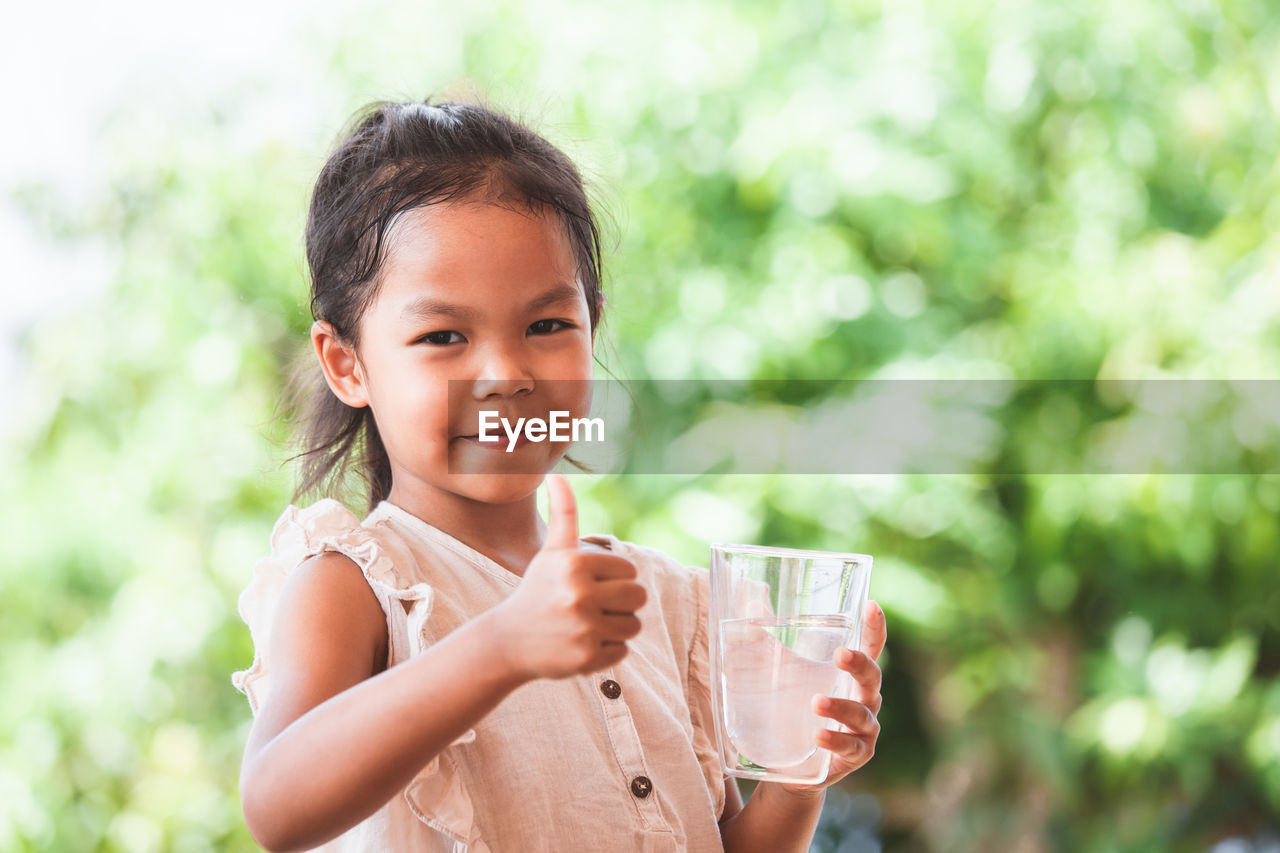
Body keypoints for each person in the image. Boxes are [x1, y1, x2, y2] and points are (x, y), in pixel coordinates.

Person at [231, 97, 888, 853]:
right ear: (347, 363)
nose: (505, 373)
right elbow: (278, 806)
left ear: (592, 326)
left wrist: (800, 766)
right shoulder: (358, 584)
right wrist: (504, 643)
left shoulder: (664, 604)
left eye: (546, 326)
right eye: (443, 335)